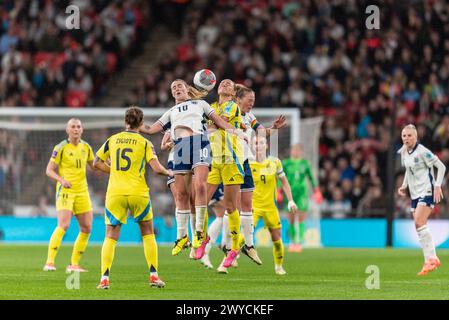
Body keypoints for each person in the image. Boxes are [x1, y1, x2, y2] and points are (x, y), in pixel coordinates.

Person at [140, 79, 246, 261]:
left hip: (199, 142)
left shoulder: (201, 104)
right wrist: (135, 125)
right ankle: (182, 237)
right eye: (173, 87)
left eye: (179, 85)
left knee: (201, 187)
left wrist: (235, 131)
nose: (176, 88)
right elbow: (151, 129)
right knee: (182, 195)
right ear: (172, 94)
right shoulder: (171, 112)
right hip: (180, 148)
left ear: (187, 90)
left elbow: (218, 120)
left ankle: (199, 233)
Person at [94, 106, 173, 289]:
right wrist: (171, 173)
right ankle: (153, 276)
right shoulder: (145, 143)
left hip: (115, 193)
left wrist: (112, 169)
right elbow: (157, 169)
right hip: (138, 192)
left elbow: (96, 163)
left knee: (111, 235)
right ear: (142, 123)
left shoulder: (112, 140)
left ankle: (104, 279)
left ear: (125, 122)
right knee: (148, 233)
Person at [43, 118, 96, 272]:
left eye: (78, 126)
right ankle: (50, 262)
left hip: (82, 191)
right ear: (67, 130)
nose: (76, 129)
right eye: (73, 127)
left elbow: (94, 166)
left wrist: (111, 166)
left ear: (82, 130)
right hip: (66, 191)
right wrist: (61, 180)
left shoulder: (86, 147)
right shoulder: (61, 147)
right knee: (64, 225)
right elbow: (49, 170)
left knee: (86, 227)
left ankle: (74, 264)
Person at [397, 124, 446, 276]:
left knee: (419, 222)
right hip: (415, 193)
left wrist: (438, 186)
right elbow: (409, 170)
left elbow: (441, 166)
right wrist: (404, 185)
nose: (406, 138)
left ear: (416, 136)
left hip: (427, 190)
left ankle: (433, 258)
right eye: (404, 135)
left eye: (409, 135)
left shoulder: (423, 151)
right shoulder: (404, 152)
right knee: (419, 226)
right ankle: (429, 260)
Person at [251, 135, 298, 275]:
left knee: (276, 238)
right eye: (256, 143)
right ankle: (229, 260)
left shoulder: (275, 162)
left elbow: (284, 182)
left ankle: (278, 267)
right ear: (252, 146)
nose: (258, 145)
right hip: (253, 206)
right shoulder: (247, 163)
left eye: (261, 143)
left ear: (266, 146)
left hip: (270, 207)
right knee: (245, 235)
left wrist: (290, 200)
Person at [282, 144, 323, 252]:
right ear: (291, 151)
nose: (295, 152)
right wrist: (277, 190)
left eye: (297, 150)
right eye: (294, 150)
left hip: (302, 194)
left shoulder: (305, 164)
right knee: (290, 219)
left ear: (300, 152)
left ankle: (298, 242)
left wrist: (316, 191)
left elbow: (311, 177)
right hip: (290, 194)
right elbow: (280, 178)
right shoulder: (286, 163)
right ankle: (292, 242)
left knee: (301, 217)